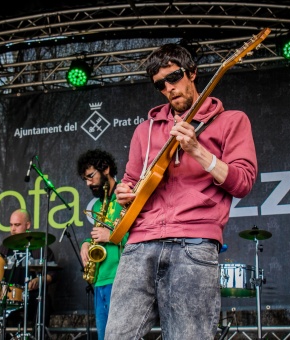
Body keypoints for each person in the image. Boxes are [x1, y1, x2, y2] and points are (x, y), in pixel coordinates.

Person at [104, 43, 258, 340]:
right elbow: (132, 181)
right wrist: (126, 193)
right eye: (160, 84)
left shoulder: (231, 121)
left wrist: (198, 151)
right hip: (140, 245)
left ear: (192, 72)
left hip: (194, 245)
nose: (168, 88)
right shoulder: (144, 130)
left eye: (173, 78)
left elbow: (243, 182)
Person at [76, 149, 128, 340]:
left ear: (105, 169)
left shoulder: (126, 194)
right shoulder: (98, 205)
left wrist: (112, 236)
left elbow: (141, 237)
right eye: (86, 179)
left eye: (91, 176)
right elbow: (98, 235)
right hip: (100, 280)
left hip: (121, 279)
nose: (88, 183)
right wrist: (85, 244)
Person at [0, 209, 58, 331]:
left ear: (27, 225)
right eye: (11, 225)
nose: (13, 229)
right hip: (9, 296)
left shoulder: (40, 248)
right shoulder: (3, 249)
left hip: (33, 296)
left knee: (44, 301)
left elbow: (54, 274)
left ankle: (38, 335)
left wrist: (39, 280)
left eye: (17, 225)